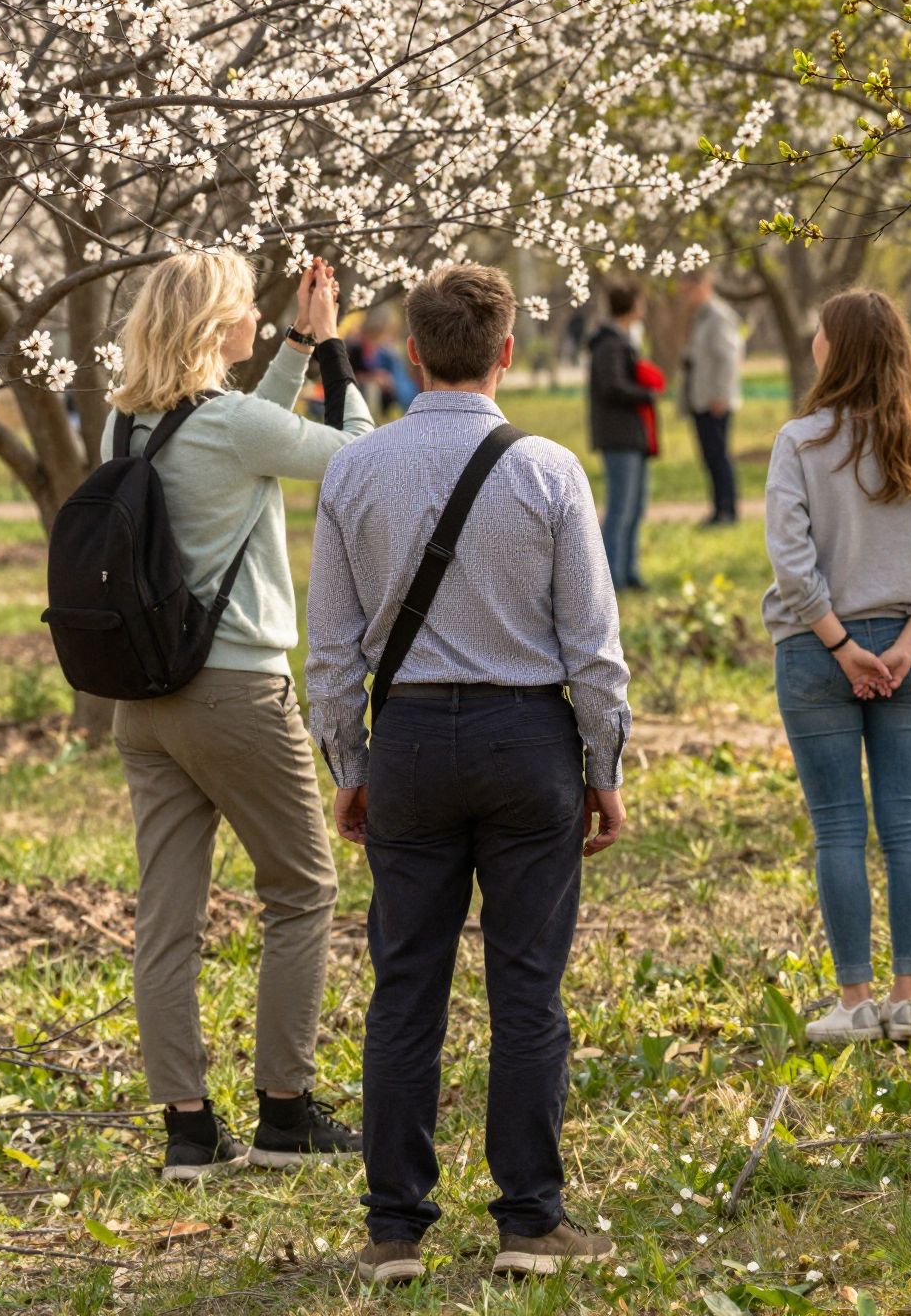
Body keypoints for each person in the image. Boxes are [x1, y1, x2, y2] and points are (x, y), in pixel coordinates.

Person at [306, 263, 631, 1290]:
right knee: (527, 987)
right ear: (507, 352)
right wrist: (605, 763)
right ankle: (530, 1217)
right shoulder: (550, 470)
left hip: (406, 743)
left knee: (406, 986)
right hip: (528, 742)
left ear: (410, 350)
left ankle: (393, 1227)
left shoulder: (354, 471)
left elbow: (330, 651)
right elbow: (593, 648)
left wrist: (349, 761)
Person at [106, 251, 374, 1180]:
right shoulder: (232, 426)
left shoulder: (126, 424)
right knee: (302, 889)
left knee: (166, 915)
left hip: (145, 703)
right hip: (236, 696)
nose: (255, 319)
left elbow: (242, 430)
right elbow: (360, 458)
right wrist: (331, 350)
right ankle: (286, 1112)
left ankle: (188, 1130)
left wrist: (295, 345)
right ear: (213, 324)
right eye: (244, 309)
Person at [764, 288, 911, 1046]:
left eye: (821, 332)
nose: (814, 341)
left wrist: (840, 645)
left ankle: (855, 1002)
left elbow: (791, 562)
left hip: (816, 652)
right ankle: (907, 999)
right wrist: (907, 645)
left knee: (839, 829)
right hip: (907, 657)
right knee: (907, 821)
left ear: (839, 348)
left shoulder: (800, 443)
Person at [586, 282, 661, 592]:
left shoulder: (623, 341)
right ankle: (610, 578)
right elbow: (612, 387)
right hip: (619, 436)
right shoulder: (609, 345)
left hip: (633, 436)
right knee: (621, 508)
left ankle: (629, 571)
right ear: (631, 306)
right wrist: (646, 393)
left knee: (636, 507)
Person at [680, 268, 744, 526]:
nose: (687, 297)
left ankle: (727, 511)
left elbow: (729, 359)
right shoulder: (701, 316)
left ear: (703, 285)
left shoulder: (718, 316)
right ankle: (718, 508)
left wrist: (721, 396)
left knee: (719, 457)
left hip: (714, 401)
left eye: (689, 290)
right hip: (701, 398)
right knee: (710, 457)